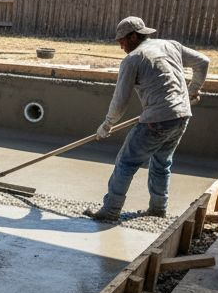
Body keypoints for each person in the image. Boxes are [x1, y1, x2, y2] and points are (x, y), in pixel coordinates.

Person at [84, 16, 209, 223]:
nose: (121, 46)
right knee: (162, 163)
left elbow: (120, 100)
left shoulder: (133, 59)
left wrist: (107, 124)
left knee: (125, 162)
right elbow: (203, 62)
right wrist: (191, 92)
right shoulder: (171, 46)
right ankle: (158, 209)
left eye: (122, 40)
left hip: (157, 121)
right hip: (181, 116)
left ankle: (110, 210)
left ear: (133, 36)